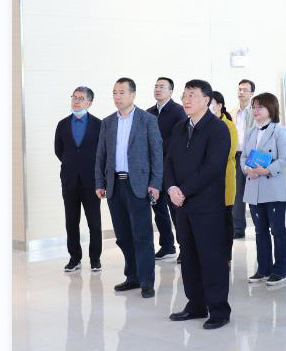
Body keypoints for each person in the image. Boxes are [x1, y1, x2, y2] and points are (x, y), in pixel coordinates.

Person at [165, 80, 231, 330]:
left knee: (212, 258)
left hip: (207, 205)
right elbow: (169, 161)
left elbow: (212, 167)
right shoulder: (180, 127)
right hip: (182, 205)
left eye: (192, 95)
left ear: (207, 100)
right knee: (189, 257)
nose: (186, 100)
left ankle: (219, 310)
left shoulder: (218, 129)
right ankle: (196, 305)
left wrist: (183, 190)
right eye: (184, 95)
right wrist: (171, 187)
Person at [94, 77, 163, 298]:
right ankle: (132, 277)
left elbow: (157, 154)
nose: (117, 97)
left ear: (133, 95)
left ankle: (147, 281)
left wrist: (155, 183)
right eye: (114, 92)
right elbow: (101, 155)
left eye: (122, 92)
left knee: (142, 236)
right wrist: (99, 182)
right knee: (123, 236)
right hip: (115, 186)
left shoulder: (147, 120)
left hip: (139, 186)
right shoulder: (107, 122)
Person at [242, 92, 286, 285]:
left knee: (277, 230)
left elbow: (284, 159)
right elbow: (243, 157)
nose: (255, 110)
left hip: (272, 188)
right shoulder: (250, 132)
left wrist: (266, 170)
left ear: (271, 109)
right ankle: (263, 269)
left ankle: (281, 270)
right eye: (254, 107)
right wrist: (247, 169)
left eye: (260, 107)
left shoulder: (279, 131)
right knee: (259, 231)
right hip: (254, 187)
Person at [55, 86, 103, 272]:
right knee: (71, 221)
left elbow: (103, 153)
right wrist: (72, 164)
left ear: (89, 103)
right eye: (74, 97)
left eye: (81, 98)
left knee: (94, 223)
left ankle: (95, 259)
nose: (76, 101)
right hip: (69, 180)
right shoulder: (62, 124)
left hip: (92, 181)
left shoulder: (99, 125)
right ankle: (74, 258)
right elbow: (59, 150)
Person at [146, 77, 187, 261]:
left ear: (170, 92)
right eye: (156, 86)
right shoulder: (149, 113)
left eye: (162, 87)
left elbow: (181, 139)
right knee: (159, 209)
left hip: (171, 168)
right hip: (153, 169)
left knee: (176, 210)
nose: (158, 89)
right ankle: (167, 246)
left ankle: (185, 247)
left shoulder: (178, 111)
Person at [210, 90, 238, 261]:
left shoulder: (229, 125)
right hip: (207, 181)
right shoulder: (204, 124)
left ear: (219, 105)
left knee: (225, 218)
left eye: (211, 103)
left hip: (224, 178)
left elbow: (229, 152)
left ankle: (226, 255)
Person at [230, 79, 256, 239]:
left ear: (252, 93)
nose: (241, 92)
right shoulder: (232, 112)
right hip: (235, 156)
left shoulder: (257, 112)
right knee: (237, 194)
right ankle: (238, 229)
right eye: (239, 89)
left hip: (252, 156)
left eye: (245, 90)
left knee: (254, 193)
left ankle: (260, 226)